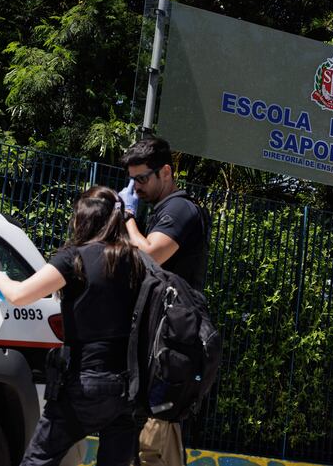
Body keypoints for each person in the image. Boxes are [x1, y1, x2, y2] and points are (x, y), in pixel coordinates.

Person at [0, 186, 145, 466]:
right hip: (127, 387)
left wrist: (0, 279)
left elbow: (20, 295)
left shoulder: (75, 257)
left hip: (85, 382)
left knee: (39, 459)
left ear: (83, 219)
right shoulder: (135, 260)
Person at [118, 137, 209, 466]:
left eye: (142, 178)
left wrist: (128, 216)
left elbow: (151, 255)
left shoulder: (180, 209)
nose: (136, 187)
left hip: (173, 345)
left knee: (156, 442)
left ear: (166, 172)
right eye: (131, 181)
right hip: (158, 341)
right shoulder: (161, 211)